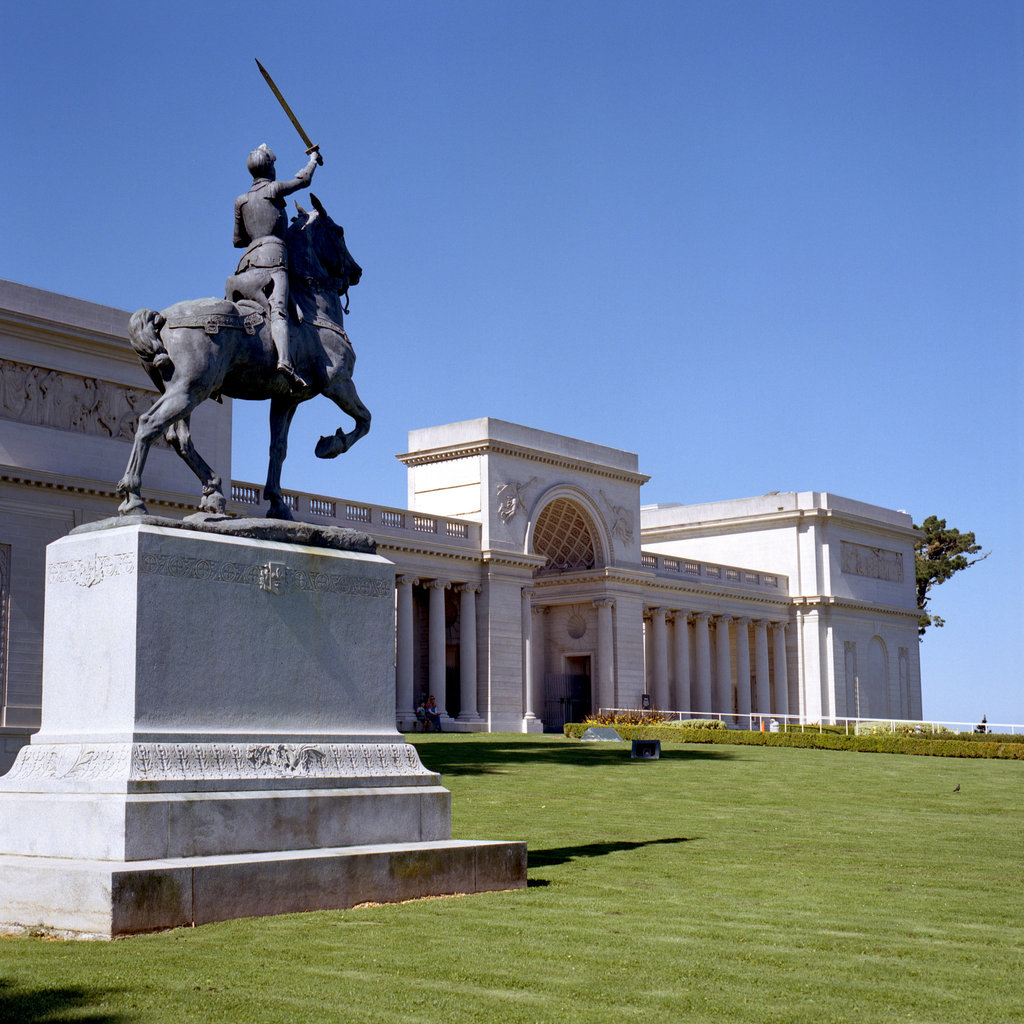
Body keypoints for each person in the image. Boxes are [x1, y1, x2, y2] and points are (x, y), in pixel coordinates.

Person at [228, 143, 322, 392]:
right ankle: (284, 361)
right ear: (269, 168)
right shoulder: (274, 189)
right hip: (273, 259)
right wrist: (313, 160)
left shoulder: (241, 201)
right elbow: (303, 181)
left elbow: (238, 240)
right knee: (278, 310)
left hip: (246, 264)